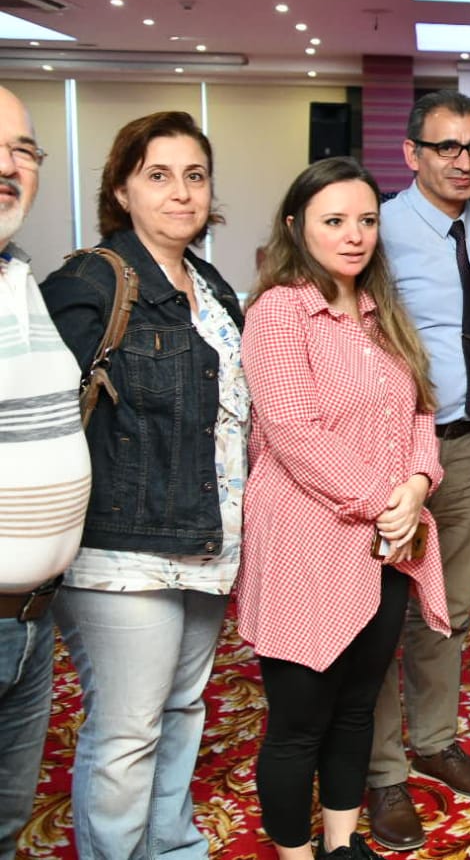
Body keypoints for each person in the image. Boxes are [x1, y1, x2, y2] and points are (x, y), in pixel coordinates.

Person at [41, 111, 247, 860]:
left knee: (183, 708)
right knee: (128, 729)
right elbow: (36, 413)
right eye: (158, 176)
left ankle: (172, 846)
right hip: (121, 549)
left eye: (195, 176)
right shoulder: (89, 281)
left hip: (204, 539)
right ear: (122, 190)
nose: (181, 193)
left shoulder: (211, 285)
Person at [237, 158, 450, 860]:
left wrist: (416, 486)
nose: (354, 235)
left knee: (357, 707)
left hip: (385, 542)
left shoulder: (381, 311)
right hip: (308, 542)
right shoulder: (278, 312)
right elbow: (294, 431)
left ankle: (340, 841)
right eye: (334, 221)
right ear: (296, 226)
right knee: (300, 722)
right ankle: (295, 854)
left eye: (366, 220)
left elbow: (420, 410)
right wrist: (384, 503)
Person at [363, 91, 470, 851]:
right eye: (447, 147)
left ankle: (435, 740)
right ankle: (382, 770)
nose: (462, 161)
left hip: (469, 441)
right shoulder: (378, 229)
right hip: (391, 451)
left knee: (448, 605)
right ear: (412, 153)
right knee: (379, 612)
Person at [0, 86, 91, 860]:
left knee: (6, 822)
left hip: (31, 618)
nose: (8, 165)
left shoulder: (18, 276)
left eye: (22, 149)